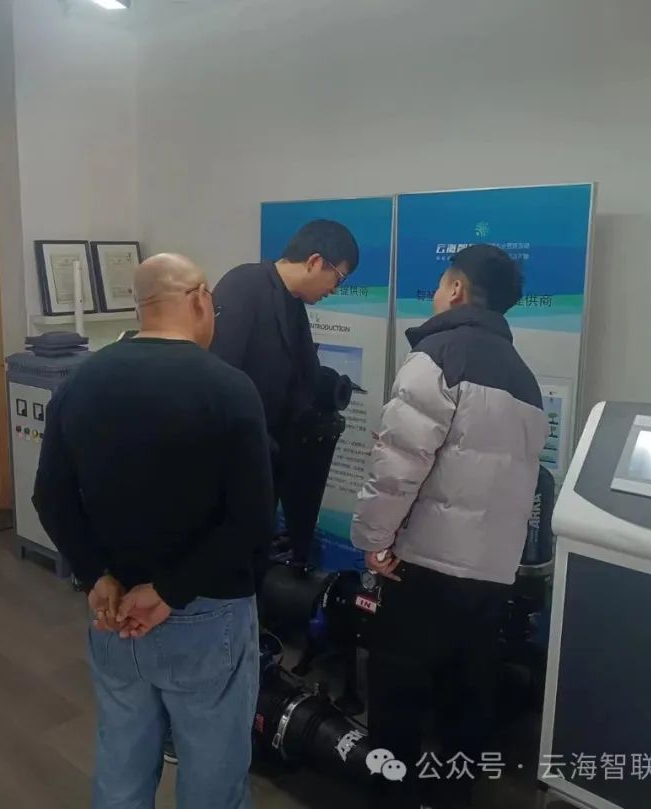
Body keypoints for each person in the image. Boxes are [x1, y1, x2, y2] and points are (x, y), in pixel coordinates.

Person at [32, 253, 273, 809]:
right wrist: (168, 592)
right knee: (212, 775)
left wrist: (97, 575)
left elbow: (51, 497)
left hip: (113, 613)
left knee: (121, 763)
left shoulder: (80, 381)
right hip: (206, 615)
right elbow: (253, 520)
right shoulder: (230, 389)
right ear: (199, 298)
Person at [351, 244, 549, 809]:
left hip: (423, 569)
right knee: (467, 699)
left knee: (398, 702)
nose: (437, 294)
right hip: (489, 577)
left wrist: (375, 542)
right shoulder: (525, 380)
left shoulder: (437, 356)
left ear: (457, 290)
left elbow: (397, 467)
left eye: (441, 284)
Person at [210, 219, 359, 454]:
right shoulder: (243, 285)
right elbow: (219, 375)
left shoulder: (294, 300)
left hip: (275, 446)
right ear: (315, 262)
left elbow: (298, 370)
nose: (335, 289)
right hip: (242, 446)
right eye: (339, 278)